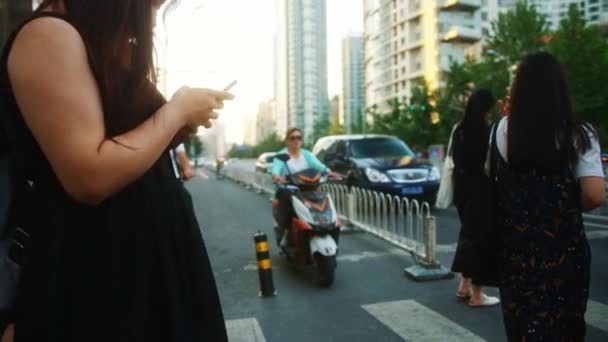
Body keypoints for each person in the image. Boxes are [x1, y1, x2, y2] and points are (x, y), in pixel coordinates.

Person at [0, 0, 234, 341]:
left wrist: (181, 120)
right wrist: (178, 111)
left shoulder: (99, 45)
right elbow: (89, 175)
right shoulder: (48, 34)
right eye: (152, 6)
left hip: (140, 268)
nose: (153, 20)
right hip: (97, 276)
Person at [493, 52, 605, 341]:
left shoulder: (503, 130)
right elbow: (595, 195)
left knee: (522, 325)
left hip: (515, 252)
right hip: (563, 252)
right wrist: (563, 205)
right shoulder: (580, 134)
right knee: (564, 326)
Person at [450, 88, 500, 307]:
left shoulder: (458, 130)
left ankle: (464, 285)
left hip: (461, 189)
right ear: (487, 108)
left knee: (468, 235)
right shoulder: (488, 132)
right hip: (482, 190)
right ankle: (478, 295)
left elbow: (455, 160)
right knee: (482, 240)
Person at [271, 128, 339, 244]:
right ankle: (285, 232)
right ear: (287, 141)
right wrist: (277, 176)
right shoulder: (281, 155)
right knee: (287, 199)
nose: (296, 141)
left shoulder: (306, 154)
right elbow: (276, 169)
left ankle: (323, 227)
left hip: (307, 189)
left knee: (322, 199)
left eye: (299, 138)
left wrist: (329, 172)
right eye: (292, 138)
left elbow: (318, 165)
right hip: (288, 190)